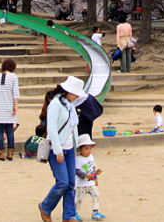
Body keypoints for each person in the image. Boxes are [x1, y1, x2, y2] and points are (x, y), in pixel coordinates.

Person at [38, 76, 87, 222]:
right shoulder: (56, 104)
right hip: (57, 149)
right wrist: (58, 150)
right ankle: (45, 207)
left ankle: (69, 215)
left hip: (70, 149)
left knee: (71, 184)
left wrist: (76, 145)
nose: (77, 96)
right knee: (62, 182)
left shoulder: (70, 105)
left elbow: (72, 129)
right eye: (75, 93)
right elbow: (51, 128)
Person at [0, 58, 20, 161]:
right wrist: (15, 105)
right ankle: (10, 153)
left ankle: (1, 153)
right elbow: (15, 92)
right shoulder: (13, 77)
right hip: (9, 105)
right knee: (10, 130)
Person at [74, 134, 105, 222]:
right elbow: (77, 171)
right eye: (86, 149)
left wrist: (95, 178)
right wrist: (85, 175)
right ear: (80, 149)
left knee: (96, 195)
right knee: (79, 199)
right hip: (81, 185)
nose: (89, 151)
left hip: (90, 183)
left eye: (90, 148)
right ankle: (75, 213)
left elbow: (93, 169)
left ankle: (95, 211)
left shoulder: (91, 157)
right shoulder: (78, 159)